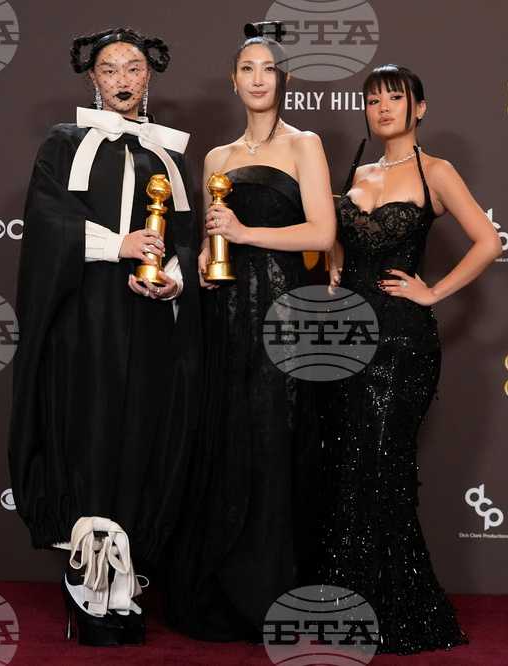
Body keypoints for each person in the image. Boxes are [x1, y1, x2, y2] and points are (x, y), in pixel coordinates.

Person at [7, 27, 202, 647]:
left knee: (139, 433)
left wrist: (171, 279)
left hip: (149, 320)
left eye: (133, 68)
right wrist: (119, 245)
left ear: (150, 77)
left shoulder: (169, 153)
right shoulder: (63, 143)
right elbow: (47, 225)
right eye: (110, 68)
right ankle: (85, 576)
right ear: (92, 78)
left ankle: (123, 575)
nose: (122, 79)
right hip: (86, 316)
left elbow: (187, 238)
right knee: (88, 432)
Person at [320, 64, 503, 654]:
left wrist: (433, 292)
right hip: (345, 339)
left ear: (418, 108)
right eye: (373, 99)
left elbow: (489, 242)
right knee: (349, 469)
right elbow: (339, 239)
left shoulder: (436, 171)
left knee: (383, 467)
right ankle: (347, 608)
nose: (383, 108)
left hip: (402, 341)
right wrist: (334, 261)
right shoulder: (356, 173)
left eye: (395, 98)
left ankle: (398, 612)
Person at [164, 23, 336, 642]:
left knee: (275, 439)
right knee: (228, 435)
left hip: (285, 314)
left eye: (268, 69)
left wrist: (244, 233)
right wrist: (205, 265)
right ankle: (225, 585)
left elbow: (321, 234)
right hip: (226, 314)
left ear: (283, 79)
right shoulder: (216, 159)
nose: (258, 79)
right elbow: (211, 242)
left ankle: (276, 591)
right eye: (247, 69)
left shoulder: (304, 144)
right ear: (233, 81)